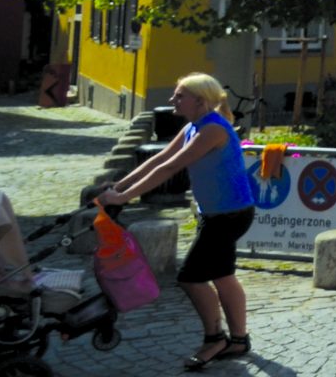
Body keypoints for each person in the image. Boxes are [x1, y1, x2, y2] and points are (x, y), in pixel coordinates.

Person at [98, 72, 255, 371]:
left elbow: (171, 167)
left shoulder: (213, 129)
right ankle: (239, 339)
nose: (173, 99)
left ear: (200, 101)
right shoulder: (194, 126)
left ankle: (215, 338)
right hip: (219, 213)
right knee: (222, 275)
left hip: (229, 215)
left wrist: (123, 197)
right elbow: (157, 159)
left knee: (190, 277)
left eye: (180, 95)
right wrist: (118, 186)